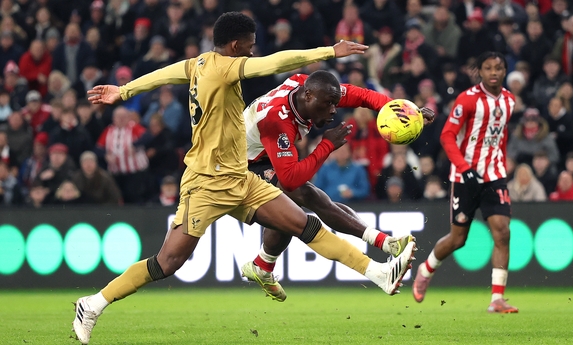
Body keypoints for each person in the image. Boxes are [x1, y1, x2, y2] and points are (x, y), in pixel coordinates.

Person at [72, 12, 416, 345]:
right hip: (206, 183)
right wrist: (328, 52)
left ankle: (379, 273)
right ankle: (93, 303)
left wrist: (126, 90)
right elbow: (276, 62)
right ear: (235, 46)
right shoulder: (226, 67)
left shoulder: (199, 63)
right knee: (168, 262)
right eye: (250, 45)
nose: (253, 51)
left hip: (240, 176)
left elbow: (165, 74)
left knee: (304, 225)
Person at [241, 71, 434, 301]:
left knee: (291, 212)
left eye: (335, 103)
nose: (334, 110)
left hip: (261, 155)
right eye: (328, 105)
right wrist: (326, 146)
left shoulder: (308, 87)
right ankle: (382, 253)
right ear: (308, 96)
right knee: (303, 196)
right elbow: (291, 180)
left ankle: (263, 265)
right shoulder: (278, 121)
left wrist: (406, 113)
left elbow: (359, 95)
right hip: (238, 167)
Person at [412, 51, 519, 313]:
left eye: (498, 68)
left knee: (503, 232)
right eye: (488, 68)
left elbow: (499, 137)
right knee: (458, 239)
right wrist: (464, 167)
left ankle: (497, 299)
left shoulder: (509, 101)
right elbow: (447, 136)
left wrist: (500, 166)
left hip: (494, 176)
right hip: (464, 176)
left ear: (504, 71)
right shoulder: (467, 100)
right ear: (479, 72)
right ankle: (426, 269)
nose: (493, 72)